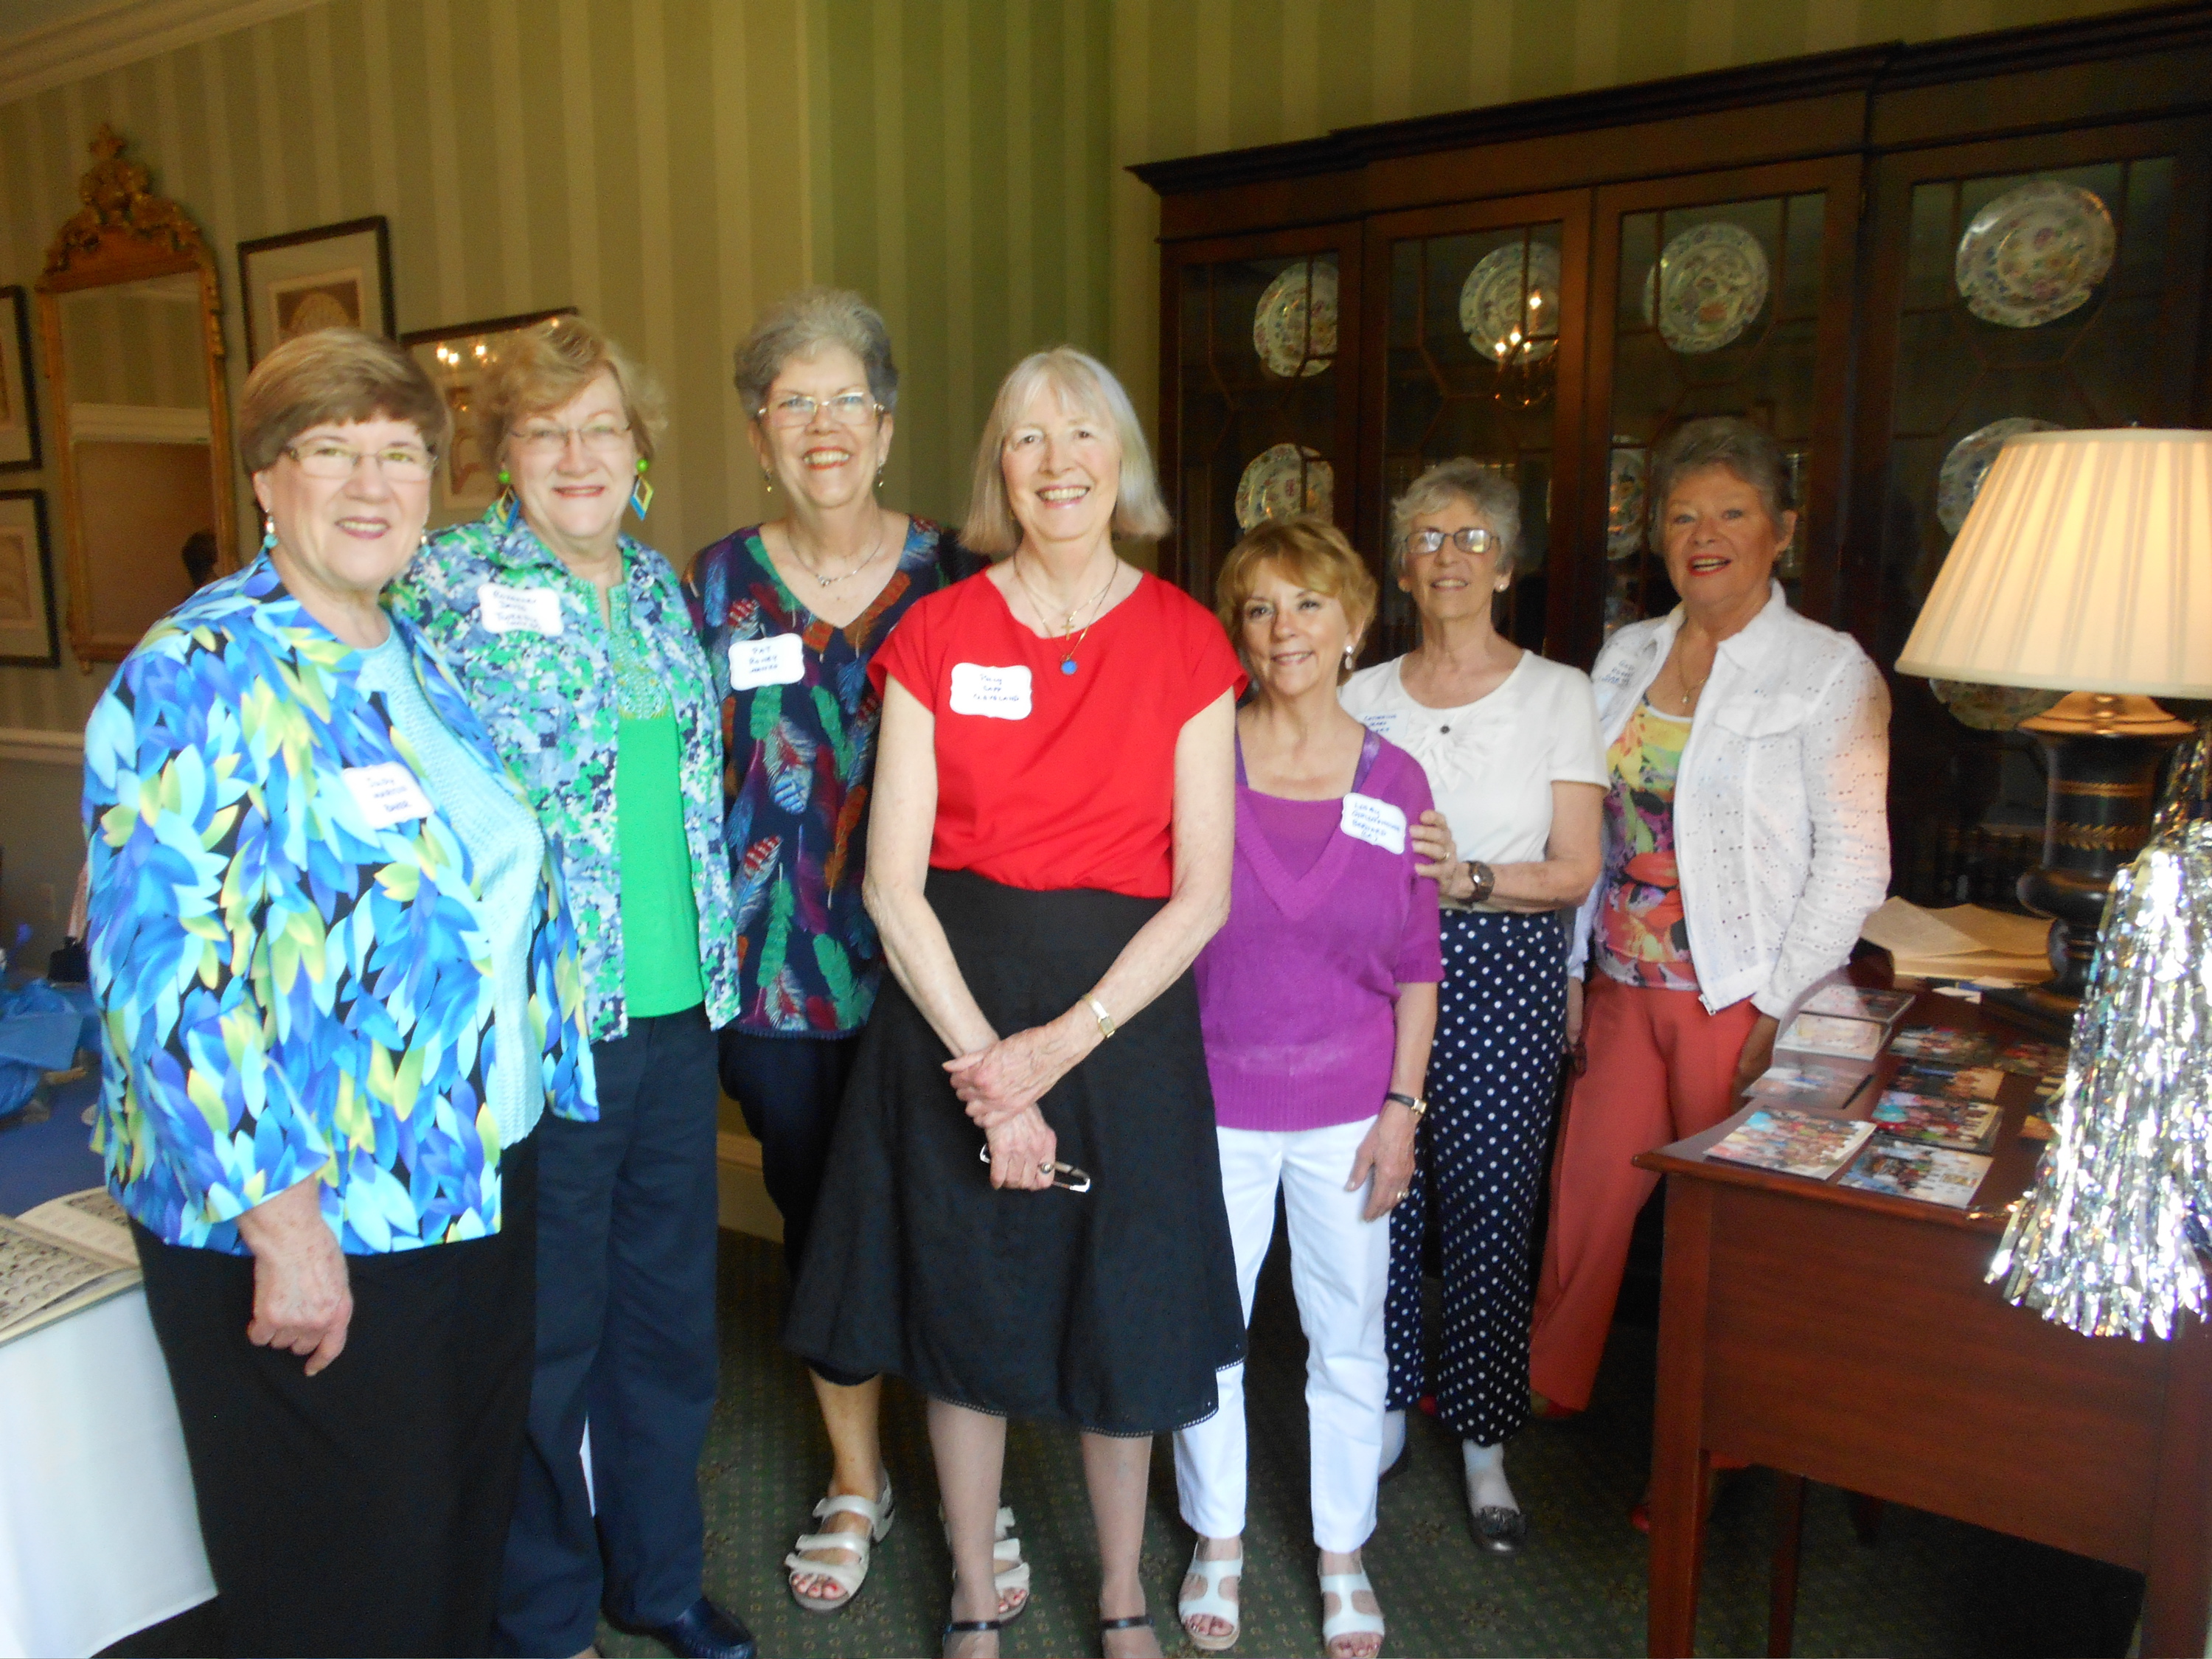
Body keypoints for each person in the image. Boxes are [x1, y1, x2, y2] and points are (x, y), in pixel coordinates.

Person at [83, 329, 597, 1658]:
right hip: (322, 1207)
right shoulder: (197, 671)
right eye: (334, 452)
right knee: (344, 1573)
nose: (374, 484)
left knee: (453, 1532)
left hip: (472, 1174)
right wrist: (284, 1220)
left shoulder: (405, 648)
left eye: (403, 452)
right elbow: (163, 983)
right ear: (266, 476)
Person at [785, 347, 1247, 1659]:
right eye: (1029, 438)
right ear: (1001, 466)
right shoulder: (937, 633)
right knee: (965, 1303)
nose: (1057, 462)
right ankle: (973, 1594)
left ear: (1122, 463)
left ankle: (1119, 1588)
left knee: (1126, 1307)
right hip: (952, 1009)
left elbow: (1202, 892)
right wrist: (992, 1062)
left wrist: (1055, 1049)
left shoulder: (1187, 640)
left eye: (1083, 434)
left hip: (1125, 1016)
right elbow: (891, 885)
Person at [388, 319, 752, 1659]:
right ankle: (541, 1615)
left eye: (603, 428)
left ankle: (655, 1577)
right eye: (545, 433)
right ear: (504, 459)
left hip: (673, 1021)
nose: (578, 455)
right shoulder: (443, 585)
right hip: (547, 1027)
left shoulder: (661, 592)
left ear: (640, 454)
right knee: (549, 1340)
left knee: (671, 1325)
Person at [684, 288, 992, 1618]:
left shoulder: (963, 574)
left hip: (944, 968)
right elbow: (674, 783)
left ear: (887, 420)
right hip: (776, 973)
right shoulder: (710, 585)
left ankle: (975, 1492)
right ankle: (857, 1480)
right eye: (791, 402)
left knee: (956, 1214)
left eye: (845, 400)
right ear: (759, 432)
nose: (821, 426)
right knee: (821, 1219)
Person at [1528, 417, 1890, 1510]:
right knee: (1588, 1194)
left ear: (1780, 530)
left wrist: (1784, 1005)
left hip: (1740, 993)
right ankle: (1551, 1383)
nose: (1706, 533)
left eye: (1732, 511)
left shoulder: (1828, 669)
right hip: (1620, 981)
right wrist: (1569, 969)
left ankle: (1716, 1440)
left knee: (1725, 1228)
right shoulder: (1629, 651)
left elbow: (1856, 857)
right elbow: (1578, 811)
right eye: (1683, 513)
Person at [1172, 516, 1441, 1659]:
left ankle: (1343, 1550)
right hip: (1212, 1105)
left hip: (1350, 1109)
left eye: (1309, 605)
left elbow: (1422, 964)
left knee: (1346, 1336)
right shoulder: (1199, 755)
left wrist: (1404, 1110)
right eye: (1260, 608)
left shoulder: (1400, 776)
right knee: (1205, 1334)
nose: (1285, 630)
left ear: (1354, 624)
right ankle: (1217, 1537)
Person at [1337, 459, 1604, 1553]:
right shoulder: (1361, 695)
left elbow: (1578, 866)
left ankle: (1485, 1437)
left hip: (1503, 967)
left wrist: (1471, 878)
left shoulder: (1559, 693)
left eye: (1472, 538)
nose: (1448, 557)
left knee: (1492, 1205)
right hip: (1377, 968)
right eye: (1428, 539)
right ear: (1403, 564)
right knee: (1379, 1195)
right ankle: (1388, 1402)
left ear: (1509, 560)